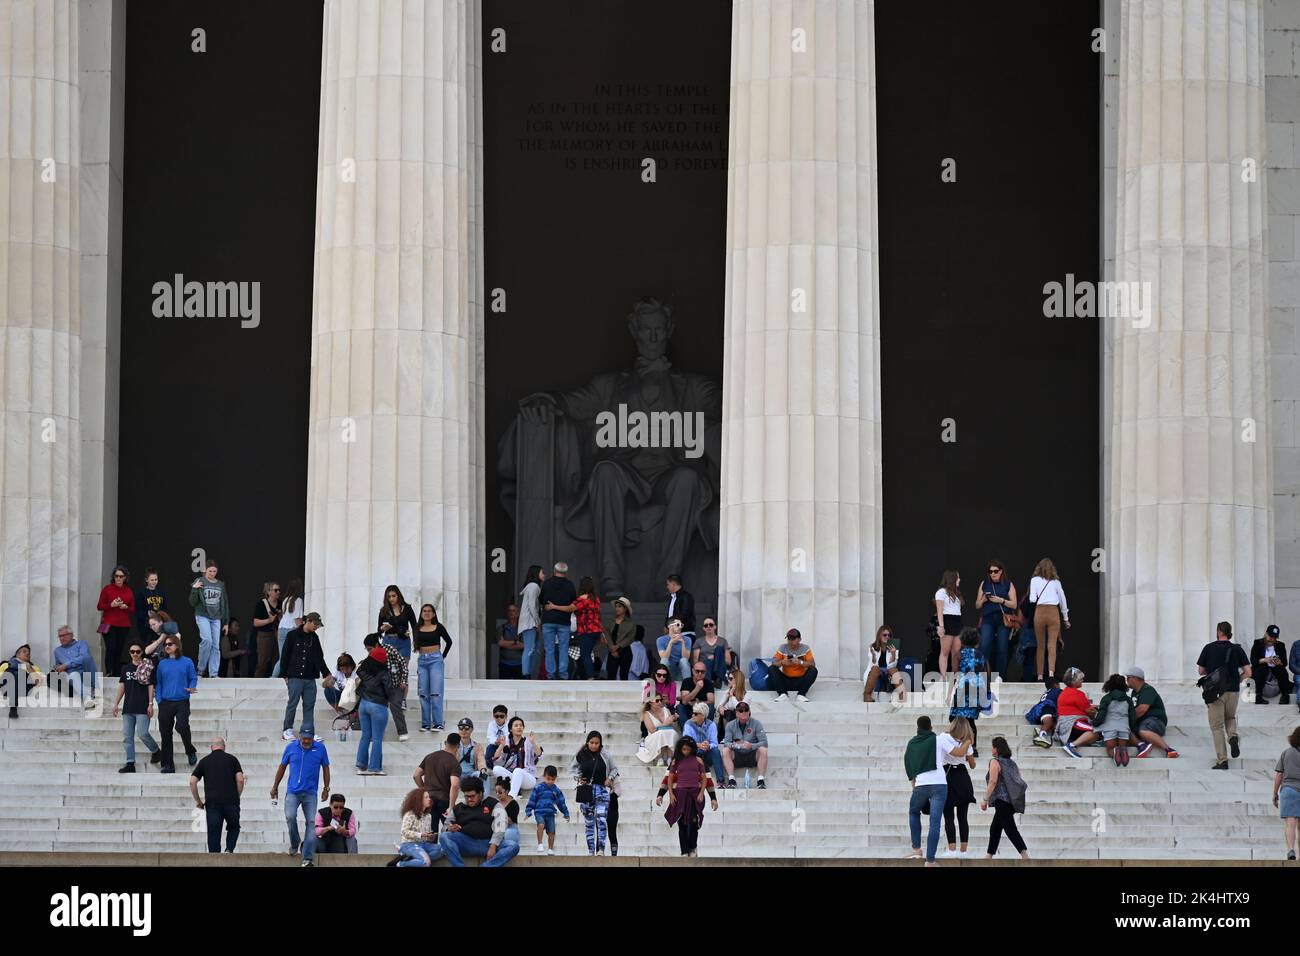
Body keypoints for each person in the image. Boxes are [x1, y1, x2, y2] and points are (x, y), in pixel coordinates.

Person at [271, 727, 332, 866]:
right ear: (299, 737)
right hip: (293, 791)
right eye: (303, 738)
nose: (306, 741)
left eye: (308, 738)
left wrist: (326, 788)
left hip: (310, 793)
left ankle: (307, 857)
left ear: (313, 737)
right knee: (290, 816)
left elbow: (326, 767)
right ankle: (295, 842)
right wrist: (275, 787)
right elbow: (282, 767)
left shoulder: (320, 748)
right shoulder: (291, 747)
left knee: (311, 823)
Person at [1197, 621, 1252, 769]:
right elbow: (1248, 672)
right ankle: (1233, 737)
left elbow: (1201, 671)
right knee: (1230, 717)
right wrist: (1237, 680)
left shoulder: (1209, 648)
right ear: (1229, 632)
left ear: (1219, 631)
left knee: (1217, 727)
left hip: (1215, 693)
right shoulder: (1237, 649)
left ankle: (1222, 760)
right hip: (1233, 691)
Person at [657, 736, 718, 857]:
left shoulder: (699, 761)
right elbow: (667, 779)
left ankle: (692, 848)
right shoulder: (675, 762)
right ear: (680, 749)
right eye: (684, 749)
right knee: (682, 824)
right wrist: (660, 795)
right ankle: (684, 852)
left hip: (695, 796)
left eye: (688, 749)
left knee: (694, 823)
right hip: (679, 795)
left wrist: (713, 798)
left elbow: (708, 781)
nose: (686, 752)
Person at [904, 714, 953, 866]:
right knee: (935, 822)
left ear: (917, 728)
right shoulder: (938, 739)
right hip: (939, 784)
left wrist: (914, 784)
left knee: (913, 812)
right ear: (931, 727)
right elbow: (956, 753)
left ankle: (917, 849)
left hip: (921, 784)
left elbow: (909, 763)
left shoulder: (912, 743)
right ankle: (930, 861)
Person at [279, 613, 335, 741]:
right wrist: (284, 674)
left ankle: (308, 731)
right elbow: (285, 655)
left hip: (310, 678)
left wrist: (326, 673)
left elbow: (319, 658)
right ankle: (287, 729)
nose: (316, 627)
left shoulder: (314, 638)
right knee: (292, 703)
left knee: (309, 705)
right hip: (295, 676)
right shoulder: (292, 635)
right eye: (315, 624)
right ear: (308, 621)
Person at [438, 777, 517, 867]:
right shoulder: (458, 808)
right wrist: (449, 828)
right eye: (466, 796)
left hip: (488, 843)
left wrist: (493, 845)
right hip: (466, 844)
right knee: (444, 836)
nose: (469, 799)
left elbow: (501, 823)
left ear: (480, 793)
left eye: (472, 796)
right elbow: (444, 828)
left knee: (513, 846)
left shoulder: (493, 803)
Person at [189, 736, 245, 853]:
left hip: (212, 803)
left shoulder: (204, 761)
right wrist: (236, 796)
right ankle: (229, 849)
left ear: (211, 747)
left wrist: (199, 802)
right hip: (231, 802)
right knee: (234, 827)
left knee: (214, 832)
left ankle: (215, 859)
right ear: (224, 747)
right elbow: (240, 779)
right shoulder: (232, 759)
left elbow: (192, 781)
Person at [155, 624, 198, 772]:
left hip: (182, 701)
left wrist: (192, 687)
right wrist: (159, 700)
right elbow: (158, 683)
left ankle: (190, 750)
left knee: (182, 726)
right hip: (165, 703)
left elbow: (193, 678)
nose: (166, 646)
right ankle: (168, 765)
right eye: (165, 644)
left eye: (169, 644)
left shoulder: (187, 662)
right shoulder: (162, 664)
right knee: (165, 734)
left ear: (177, 645)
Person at [112, 642, 160, 772]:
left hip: (143, 706)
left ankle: (156, 750)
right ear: (129, 653)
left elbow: (151, 686)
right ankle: (130, 763)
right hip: (128, 707)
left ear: (141, 653)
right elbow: (122, 686)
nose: (135, 654)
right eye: (132, 651)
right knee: (127, 736)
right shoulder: (125, 669)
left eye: (138, 651)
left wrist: (151, 704)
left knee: (143, 733)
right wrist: (116, 703)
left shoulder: (148, 667)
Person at [571, 731, 620, 856]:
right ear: (587, 742)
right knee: (589, 823)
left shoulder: (605, 754)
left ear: (600, 743)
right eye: (591, 743)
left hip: (602, 791)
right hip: (586, 791)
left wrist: (609, 778)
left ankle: (601, 849)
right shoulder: (581, 754)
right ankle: (590, 851)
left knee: (602, 819)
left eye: (596, 743)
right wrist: (578, 777)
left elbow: (615, 768)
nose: (594, 745)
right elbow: (572, 768)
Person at [982, 735, 1030, 860]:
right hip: (1011, 802)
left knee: (1010, 829)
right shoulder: (1012, 763)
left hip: (1001, 800)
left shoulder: (994, 761)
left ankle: (1024, 855)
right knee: (995, 828)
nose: (991, 750)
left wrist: (985, 799)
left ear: (996, 749)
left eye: (993, 747)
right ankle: (989, 856)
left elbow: (992, 781)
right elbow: (1018, 780)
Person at [940, 717, 977, 858]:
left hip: (947, 775)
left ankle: (951, 849)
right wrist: (968, 747)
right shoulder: (966, 742)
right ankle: (964, 851)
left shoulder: (943, 737)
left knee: (948, 815)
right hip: (962, 776)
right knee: (963, 817)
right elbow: (973, 765)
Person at [948, 627, 989, 756]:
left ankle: (958, 743)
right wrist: (987, 692)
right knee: (971, 720)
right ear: (976, 641)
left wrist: (950, 692)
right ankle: (973, 747)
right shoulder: (982, 655)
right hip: (977, 688)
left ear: (963, 640)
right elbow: (986, 673)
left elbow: (954, 673)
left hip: (963, 687)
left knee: (955, 717)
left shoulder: (958, 654)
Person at [355, 638, 393, 774]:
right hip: (378, 706)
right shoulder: (383, 673)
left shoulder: (363, 671)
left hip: (363, 705)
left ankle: (361, 765)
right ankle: (374, 767)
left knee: (365, 735)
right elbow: (389, 690)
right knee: (377, 738)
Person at [1028, 558, 1070, 680]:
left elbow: (1032, 599)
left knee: (1040, 645)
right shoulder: (1056, 582)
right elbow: (1063, 600)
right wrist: (1066, 618)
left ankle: (1040, 675)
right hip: (1053, 612)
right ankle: (1051, 673)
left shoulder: (1034, 580)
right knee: (1052, 645)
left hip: (1040, 612)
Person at [975, 560, 1017, 682]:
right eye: (990, 571)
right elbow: (977, 605)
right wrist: (983, 600)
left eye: (995, 571)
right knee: (985, 646)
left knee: (1002, 648)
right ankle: (982, 676)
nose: (993, 574)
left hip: (1002, 619)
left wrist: (1001, 601)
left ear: (1001, 571)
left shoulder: (1008, 584)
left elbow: (1014, 604)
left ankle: (999, 677)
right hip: (988, 618)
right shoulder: (985, 583)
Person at [414, 603, 452, 731]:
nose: (426, 613)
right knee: (423, 692)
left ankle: (438, 723)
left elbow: (449, 641)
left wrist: (442, 656)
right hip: (422, 660)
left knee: (436, 692)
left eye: (429, 611)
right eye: (424, 611)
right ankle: (425, 723)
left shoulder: (438, 627)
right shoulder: (417, 627)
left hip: (435, 659)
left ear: (434, 614)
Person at [188, 560, 229, 679]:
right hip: (202, 615)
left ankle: (213, 673)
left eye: (214, 571)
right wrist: (194, 589)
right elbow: (192, 602)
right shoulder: (200, 581)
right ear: (205, 570)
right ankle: (200, 671)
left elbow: (225, 603)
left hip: (216, 617)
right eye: (210, 571)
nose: (212, 573)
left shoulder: (220, 584)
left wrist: (226, 622)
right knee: (207, 640)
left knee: (216, 645)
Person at [1126, 666, 1179, 758]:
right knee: (1125, 729)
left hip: (1155, 721)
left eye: (1128, 678)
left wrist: (1126, 717)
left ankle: (1169, 750)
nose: (1126, 680)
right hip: (1142, 721)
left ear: (1134, 678)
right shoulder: (1134, 692)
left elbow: (1142, 710)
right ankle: (1142, 746)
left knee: (1143, 730)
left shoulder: (1147, 689)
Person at [1087, 674, 1138, 766]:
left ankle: (1115, 751)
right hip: (1124, 728)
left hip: (1110, 728)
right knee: (1122, 746)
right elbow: (1132, 716)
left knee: (1110, 748)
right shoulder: (1128, 700)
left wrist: (1094, 723)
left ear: (1109, 685)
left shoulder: (1106, 698)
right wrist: (1132, 729)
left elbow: (1101, 715)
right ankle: (1123, 751)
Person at [414, 733, 464, 824]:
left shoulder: (430, 757)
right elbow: (455, 785)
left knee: (431, 833)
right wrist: (451, 806)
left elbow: (416, 775)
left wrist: (424, 790)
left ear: (445, 743)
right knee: (451, 831)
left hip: (429, 800)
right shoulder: (454, 763)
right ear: (458, 746)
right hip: (444, 800)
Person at [540, 561, 578, 680]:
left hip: (548, 620)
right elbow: (573, 601)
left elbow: (541, 599)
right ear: (566, 572)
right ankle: (563, 674)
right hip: (564, 622)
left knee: (549, 649)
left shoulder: (546, 583)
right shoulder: (570, 585)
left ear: (554, 571)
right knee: (563, 648)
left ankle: (551, 675)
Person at [95, 565, 135, 677]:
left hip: (124, 624)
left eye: (121, 576)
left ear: (125, 578)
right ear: (113, 577)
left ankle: (117, 673)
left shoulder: (128, 591)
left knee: (119, 649)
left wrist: (125, 607)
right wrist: (111, 605)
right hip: (108, 624)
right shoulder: (107, 589)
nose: (118, 578)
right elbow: (99, 606)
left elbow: (133, 608)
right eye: (116, 576)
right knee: (111, 647)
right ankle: (109, 672)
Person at [491, 716, 543, 797]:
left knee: (518, 771)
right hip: (511, 776)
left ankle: (511, 797)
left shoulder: (528, 742)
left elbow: (539, 755)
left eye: (521, 725)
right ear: (511, 729)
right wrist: (501, 745)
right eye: (516, 725)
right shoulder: (507, 742)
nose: (519, 727)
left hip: (527, 777)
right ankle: (516, 789)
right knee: (496, 769)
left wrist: (533, 742)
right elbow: (496, 760)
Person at [721, 700, 768, 789]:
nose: (744, 712)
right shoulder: (730, 725)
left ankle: (761, 780)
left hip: (752, 754)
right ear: (737, 713)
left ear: (749, 712)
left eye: (746, 710)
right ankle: (731, 780)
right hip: (737, 755)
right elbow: (726, 743)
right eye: (741, 710)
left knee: (763, 749)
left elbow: (764, 742)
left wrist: (752, 746)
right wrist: (734, 745)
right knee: (725, 750)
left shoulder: (756, 723)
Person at [525, 765, 570, 854]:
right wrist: (528, 811)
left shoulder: (556, 790)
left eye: (552, 779)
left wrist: (566, 813)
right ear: (543, 776)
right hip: (539, 812)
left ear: (555, 778)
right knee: (540, 825)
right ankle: (540, 843)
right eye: (548, 779)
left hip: (550, 813)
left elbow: (561, 802)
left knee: (552, 832)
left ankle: (550, 848)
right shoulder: (538, 788)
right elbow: (532, 800)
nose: (550, 781)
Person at [374, 629, 410, 741]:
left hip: (397, 685)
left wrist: (403, 681)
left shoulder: (390, 650)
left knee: (395, 706)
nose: (369, 652)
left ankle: (403, 731)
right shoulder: (372, 656)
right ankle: (377, 732)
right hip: (383, 687)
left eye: (370, 649)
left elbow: (403, 665)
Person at [1055, 668, 1098, 754]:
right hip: (1073, 723)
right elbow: (1089, 711)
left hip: (1064, 725)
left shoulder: (1064, 692)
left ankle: (1074, 742)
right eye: (1081, 679)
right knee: (1097, 731)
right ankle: (1071, 745)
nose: (1082, 680)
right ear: (1074, 681)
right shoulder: (1077, 694)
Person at [767, 628, 817, 701]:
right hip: (786, 680)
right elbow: (774, 662)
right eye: (789, 639)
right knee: (772, 668)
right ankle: (783, 694)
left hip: (800, 680)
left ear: (799, 639)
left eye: (793, 639)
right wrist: (782, 662)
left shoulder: (805, 648)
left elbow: (813, 664)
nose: (790, 641)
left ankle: (801, 694)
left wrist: (800, 662)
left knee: (813, 670)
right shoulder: (783, 647)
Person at [396, 788, 443, 866]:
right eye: (426, 797)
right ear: (418, 800)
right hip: (409, 844)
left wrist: (430, 836)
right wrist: (420, 835)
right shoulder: (410, 814)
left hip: (423, 844)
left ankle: (415, 859)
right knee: (426, 862)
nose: (429, 799)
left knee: (442, 850)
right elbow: (404, 832)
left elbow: (426, 835)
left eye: (429, 797)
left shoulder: (428, 816)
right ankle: (401, 864)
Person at [1273, 726, 1300, 861]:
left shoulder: (1287, 753)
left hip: (1289, 790)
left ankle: (1290, 850)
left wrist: (1275, 794)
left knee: (1290, 822)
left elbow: (1279, 775)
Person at [53, 625, 97, 706]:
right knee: (73, 674)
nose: (61, 638)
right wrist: (58, 667)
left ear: (71, 635)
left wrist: (66, 664)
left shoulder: (82, 643)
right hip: (72, 675)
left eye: (63, 635)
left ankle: (95, 688)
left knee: (87, 658)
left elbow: (84, 657)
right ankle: (87, 698)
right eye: (59, 636)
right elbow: (58, 665)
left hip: (85, 672)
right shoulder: (57, 651)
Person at [683, 701, 726, 780]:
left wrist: (708, 746)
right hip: (694, 753)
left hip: (707, 754)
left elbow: (714, 743)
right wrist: (698, 745)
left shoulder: (711, 725)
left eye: (695, 714)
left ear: (703, 716)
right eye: (693, 713)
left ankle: (720, 781)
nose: (693, 715)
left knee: (716, 751)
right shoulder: (688, 724)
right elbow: (686, 741)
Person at [1251, 625, 1293, 705]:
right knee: (1261, 670)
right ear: (1266, 634)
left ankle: (1285, 695)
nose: (1271, 639)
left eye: (1274, 637)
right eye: (1270, 636)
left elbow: (1285, 662)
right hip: (1262, 666)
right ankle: (1258, 696)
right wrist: (1265, 660)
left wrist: (1279, 662)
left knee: (1282, 671)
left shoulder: (1280, 645)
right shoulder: (1257, 643)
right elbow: (1253, 661)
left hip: (1275, 667)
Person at [934, 569, 963, 680]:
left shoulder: (956, 593)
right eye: (958, 577)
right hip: (947, 621)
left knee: (956, 652)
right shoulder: (941, 592)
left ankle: (954, 677)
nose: (959, 580)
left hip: (957, 621)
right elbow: (940, 610)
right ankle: (943, 677)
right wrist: (941, 626)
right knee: (945, 651)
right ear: (952, 579)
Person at [573, 577, 604, 680]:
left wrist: (554, 607)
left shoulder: (583, 599)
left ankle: (590, 677)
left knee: (585, 654)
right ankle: (588, 675)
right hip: (596, 630)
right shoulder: (596, 599)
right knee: (587, 653)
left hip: (587, 630)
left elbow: (570, 608)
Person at [517, 565, 545, 679]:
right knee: (530, 648)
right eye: (542, 572)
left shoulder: (532, 586)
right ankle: (526, 674)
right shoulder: (533, 586)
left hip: (530, 622)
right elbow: (532, 606)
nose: (544, 575)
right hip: (530, 623)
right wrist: (538, 621)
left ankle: (529, 673)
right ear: (536, 573)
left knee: (535, 649)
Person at [863, 625, 903, 703]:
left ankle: (902, 694)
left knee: (894, 669)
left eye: (889, 635)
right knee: (875, 668)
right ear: (879, 636)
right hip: (877, 674)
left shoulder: (894, 648)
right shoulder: (873, 647)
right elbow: (873, 664)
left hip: (888, 675)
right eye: (885, 635)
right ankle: (867, 695)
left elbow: (892, 666)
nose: (887, 637)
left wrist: (894, 654)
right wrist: (874, 656)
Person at [251, 582, 283, 679]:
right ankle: (256, 684)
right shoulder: (261, 604)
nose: (278, 592)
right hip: (264, 635)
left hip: (278, 635)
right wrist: (269, 620)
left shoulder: (281, 604)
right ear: (269, 592)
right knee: (263, 662)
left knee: (277, 660)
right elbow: (255, 622)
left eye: (279, 590)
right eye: (275, 590)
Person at [274, 579, 304, 678]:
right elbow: (297, 619)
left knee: (282, 656)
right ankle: (287, 676)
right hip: (292, 629)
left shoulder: (285, 600)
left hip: (281, 628)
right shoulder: (298, 600)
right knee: (294, 655)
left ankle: (274, 677)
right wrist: (303, 631)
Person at [638, 693, 679, 765]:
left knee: (671, 733)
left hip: (667, 736)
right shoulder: (646, 714)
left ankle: (670, 758)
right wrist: (665, 724)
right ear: (650, 702)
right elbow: (652, 730)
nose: (660, 702)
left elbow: (672, 728)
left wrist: (674, 720)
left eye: (661, 700)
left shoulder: (666, 710)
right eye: (657, 700)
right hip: (653, 737)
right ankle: (660, 757)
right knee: (661, 734)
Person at [3, 644, 43, 718]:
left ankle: (13, 705)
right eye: (24, 651)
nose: (27, 653)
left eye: (29, 653)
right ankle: (13, 706)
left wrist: (28, 667)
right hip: (7, 685)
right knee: (13, 672)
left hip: (22, 689)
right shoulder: (6, 664)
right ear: (17, 655)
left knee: (21, 674)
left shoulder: (34, 667)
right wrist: (22, 666)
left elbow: (37, 681)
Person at [605, 596, 638, 682]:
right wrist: (612, 648)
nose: (617, 608)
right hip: (612, 651)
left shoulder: (631, 624)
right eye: (616, 606)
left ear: (625, 609)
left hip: (625, 651)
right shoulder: (611, 621)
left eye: (619, 606)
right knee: (611, 675)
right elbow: (607, 634)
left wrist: (618, 646)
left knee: (624, 675)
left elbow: (630, 638)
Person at [692, 615, 731, 684]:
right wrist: (708, 659)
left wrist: (716, 657)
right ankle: (709, 684)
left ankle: (718, 678)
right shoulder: (699, 641)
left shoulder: (723, 641)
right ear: (703, 628)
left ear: (715, 627)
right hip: (705, 670)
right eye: (706, 625)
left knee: (719, 649)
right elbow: (696, 662)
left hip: (720, 668)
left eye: (711, 625)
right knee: (708, 661)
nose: (708, 627)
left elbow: (728, 662)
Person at [1026, 676, 1062, 748]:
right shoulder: (1058, 691)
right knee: (1049, 718)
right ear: (1056, 685)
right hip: (1046, 708)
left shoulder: (1046, 692)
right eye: (1059, 684)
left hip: (1036, 712)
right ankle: (1041, 735)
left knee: (1052, 720)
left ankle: (1040, 730)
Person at [677, 660, 715, 727]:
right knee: (680, 707)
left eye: (702, 671)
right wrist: (697, 688)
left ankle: (706, 730)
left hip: (702, 711)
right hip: (688, 710)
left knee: (711, 707)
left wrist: (698, 703)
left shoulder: (708, 683)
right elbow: (684, 701)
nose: (700, 673)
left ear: (705, 672)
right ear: (693, 671)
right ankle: (687, 732)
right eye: (697, 671)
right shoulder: (686, 681)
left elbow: (711, 701)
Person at [134, 568, 167, 642]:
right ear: (146, 580)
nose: (154, 582)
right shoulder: (141, 593)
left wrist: (160, 615)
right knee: (147, 646)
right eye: (152, 580)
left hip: (159, 626)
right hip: (145, 626)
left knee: (158, 647)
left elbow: (164, 608)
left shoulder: (161, 592)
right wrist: (148, 614)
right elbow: (137, 611)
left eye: (156, 579)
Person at [492, 778, 523, 856]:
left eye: (500, 792)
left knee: (509, 833)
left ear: (507, 791)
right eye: (496, 792)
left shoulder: (513, 804)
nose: (497, 794)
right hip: (498, 827)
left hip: (510, 827)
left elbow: (510, 821)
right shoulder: (495, 803)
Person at [714, 667, 747, 733]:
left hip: (740, 721)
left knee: (731, 712)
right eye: (728, 678)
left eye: (731, 679)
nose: (728, 680)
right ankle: (727, 736)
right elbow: (718, 706)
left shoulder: (746, 695)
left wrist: (732, 695)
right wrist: (721, 707)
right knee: (727, 712)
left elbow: (739, 708)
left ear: (737, 680)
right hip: (727, 721)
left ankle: (729, 736)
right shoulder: (727, 692)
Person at [497, 603, 524, 679]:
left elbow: (524, 645)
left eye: (514, 611)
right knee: (504, 689)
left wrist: (507, 644)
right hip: (504, 664)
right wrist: (516, 643)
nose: (511, 613)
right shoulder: (501, 628)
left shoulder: (522, 629)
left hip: (520, 664)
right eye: (509, 611)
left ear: (518, 613)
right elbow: (500, 643)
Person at [325, 653, 357, 718]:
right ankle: (341, 712)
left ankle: (351, 712)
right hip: (342, 696)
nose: (344, 672)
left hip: (353, 697)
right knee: (328, 690)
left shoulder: (356, 673)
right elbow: (331, 680)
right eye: (342, 669)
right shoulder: (338, 671)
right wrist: (330, 682)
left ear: (351, 666)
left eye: (347, 669)